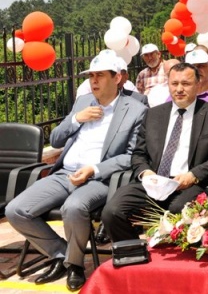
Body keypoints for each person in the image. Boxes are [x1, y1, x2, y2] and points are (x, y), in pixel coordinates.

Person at [6, 53, 147, 291]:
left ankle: (76, 266)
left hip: (99, 178)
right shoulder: (82, 102)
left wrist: (94, 169)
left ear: (118, 78)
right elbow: (56, 138)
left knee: (73, 207)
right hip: (64, 174)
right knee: (16, 210)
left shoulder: (135, 109)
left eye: (100, 75)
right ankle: (62, 254)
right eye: (91, 75)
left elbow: (132, 156)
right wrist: (75, 119)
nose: (94, 81)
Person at [102, 63, 208, 243]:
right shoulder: (153, 115)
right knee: (112, 212)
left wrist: (193, 175)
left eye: (185, 84)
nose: (179, 89)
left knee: (180, 211)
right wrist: (145, 172)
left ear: (198, 84)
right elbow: (138, 153)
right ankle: (134, 254)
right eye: (174, 83)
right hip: (153, 182)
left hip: (187, 184)